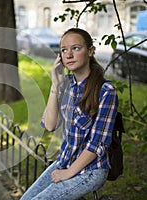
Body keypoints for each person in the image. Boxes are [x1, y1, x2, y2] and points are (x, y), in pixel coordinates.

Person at [20, 28, 118, 200]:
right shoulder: (65, 85)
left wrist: (68, 173)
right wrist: (55, 85)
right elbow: (50, 125)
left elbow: (97, 144)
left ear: (90, 51)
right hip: (64, 161)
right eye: (64, 50)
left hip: (90, 170)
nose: (69, 55)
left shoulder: (105, 90)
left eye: (76, 48)